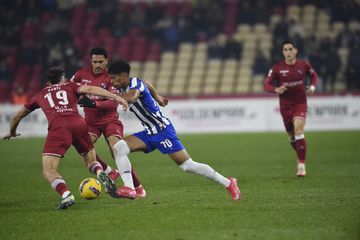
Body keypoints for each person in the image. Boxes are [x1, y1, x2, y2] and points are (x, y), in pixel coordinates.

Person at [107, 60, 241, 201]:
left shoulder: (134, 83)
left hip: (162, 130)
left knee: (187, 166)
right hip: (149, 132)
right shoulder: (125, 88)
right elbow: (148, 84)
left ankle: (228, 182)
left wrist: (113, 98)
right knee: (119, 148)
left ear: (123, 75)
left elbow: (133, 96)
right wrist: (158, 98)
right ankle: (130, 188)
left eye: (114, 78)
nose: (112, 81)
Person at [3, 66, 128, 209]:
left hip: (59, 126)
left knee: (49, 170)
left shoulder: (40, 94)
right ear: (63, 79)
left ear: (48, 82)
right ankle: (101, 172)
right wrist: (116, 97)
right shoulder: (70, 86)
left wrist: (12, 131)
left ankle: (66, 194)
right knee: (90, 160)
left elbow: (18, 115)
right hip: (79, 123)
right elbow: (90, 89)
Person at [71, 47, 146, 197]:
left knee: (117, 149)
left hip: (109, 120)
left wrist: (94, 104)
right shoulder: (80, 75)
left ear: (106, 61)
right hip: (91, 122)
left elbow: (113, 102)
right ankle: (109, 172)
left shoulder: (111, 77)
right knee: (84, 149)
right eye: (94, 62)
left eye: (100, 61)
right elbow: (69, 90)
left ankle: (138, 187)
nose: (97, 65)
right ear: (90, 61)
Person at [263, 40, 318, 177]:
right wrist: (276, 89)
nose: (288, 52)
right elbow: (266, 84)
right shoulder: (277, 68)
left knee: (299, 130)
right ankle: (300, 152)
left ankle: (301, 165)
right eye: (285, 50)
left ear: (295, 51)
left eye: (290, 49)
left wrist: (311, 87)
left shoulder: (303, 65)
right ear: (283, 52)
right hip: (285, 107)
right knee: (292, 138)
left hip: (300, 103)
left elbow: (313, 76)